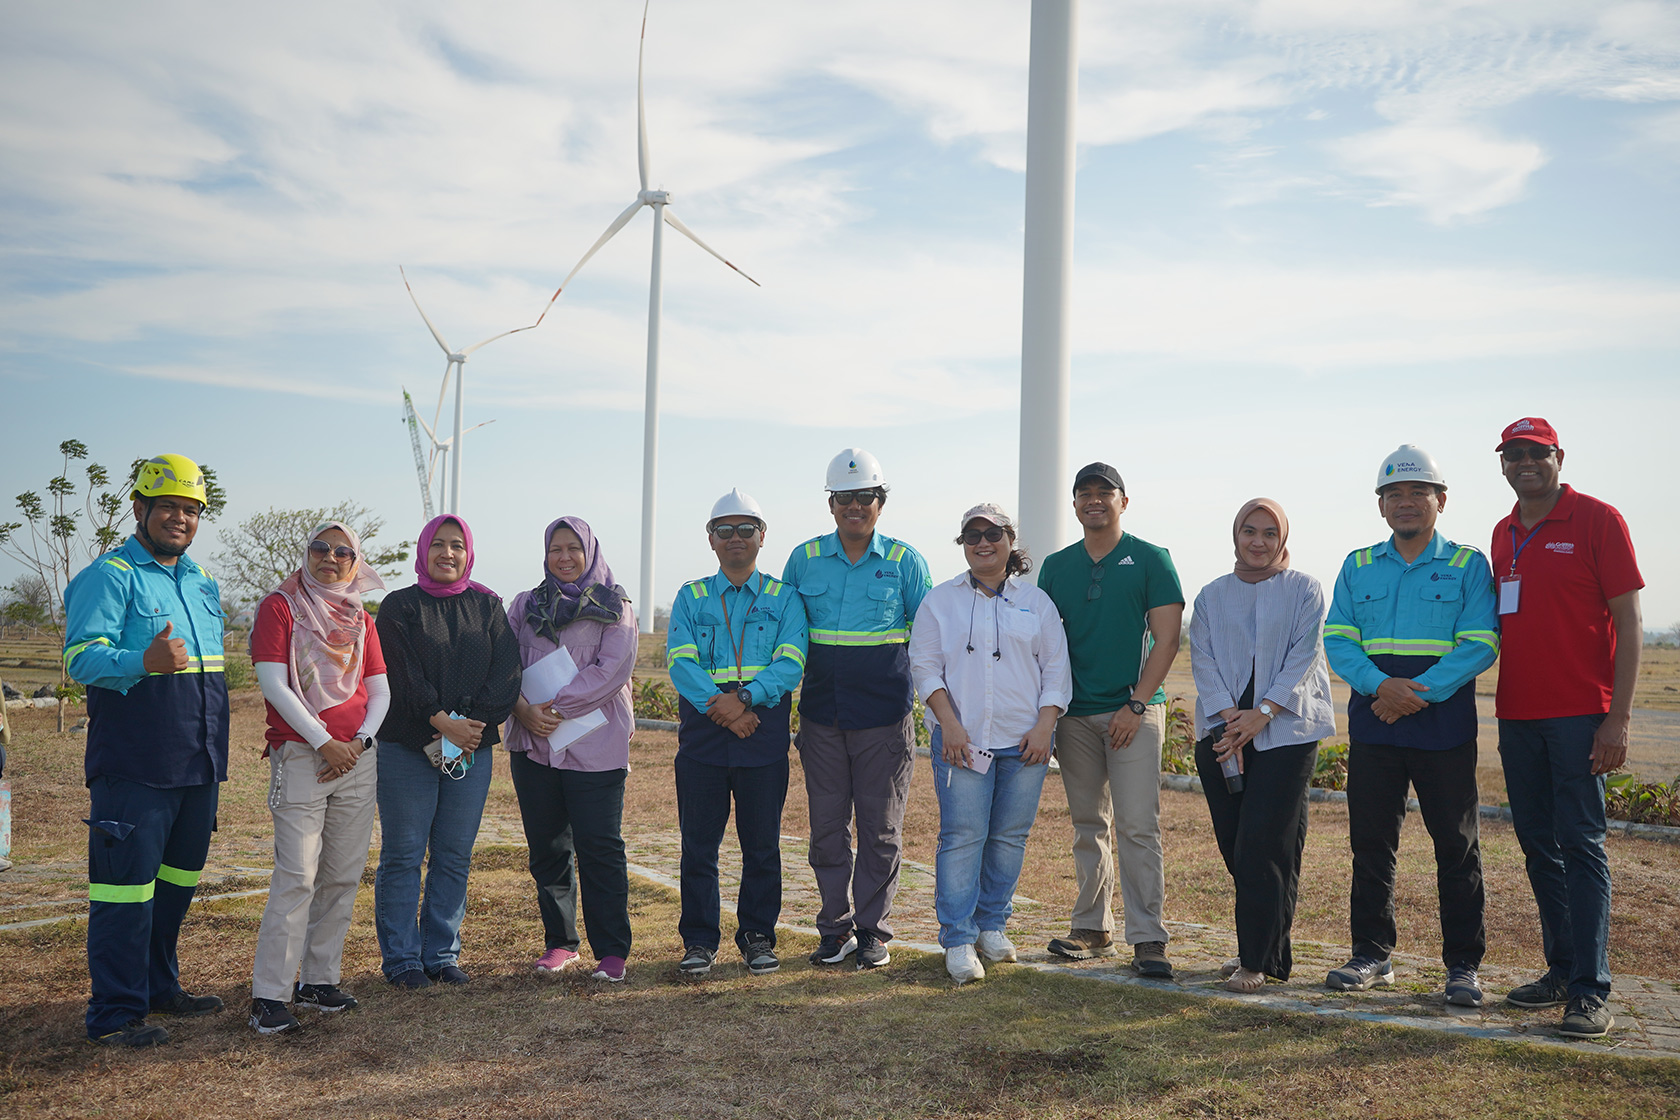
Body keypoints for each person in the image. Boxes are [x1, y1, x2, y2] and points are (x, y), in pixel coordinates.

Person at [1322, 445, 1499, 1005]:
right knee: (1372, 844)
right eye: (1393, 494)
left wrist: (1414, 694)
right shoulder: (1357, 565)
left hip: (1442, 725)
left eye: (1418, 493)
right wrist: (1382, 687)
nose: (1406, 503)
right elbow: (1338, 640)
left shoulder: (1468, 565)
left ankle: (1463, 966)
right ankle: (1372, 954)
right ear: (1381, 507)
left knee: (1457, 846)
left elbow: (1481, 643)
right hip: (1375, 722)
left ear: (1440, 501)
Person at [62, 454, 229, 1047]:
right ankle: (113, 1014)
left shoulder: (201, 580)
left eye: (190, 510)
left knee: (176, 885)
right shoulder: (109, 576)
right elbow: (80, 658)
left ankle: (160, 987)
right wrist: (141, 661)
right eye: (167, 507)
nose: (179, 519)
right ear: (139, 508)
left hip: (198, 763)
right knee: (123, 894)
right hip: (135, 767)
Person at [1490, 417, 1643, 1039]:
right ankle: (1561, 969)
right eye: (1514, 454)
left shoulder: (1599, 520)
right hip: (1516, 714)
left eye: (1537, 453)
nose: (1525, 462)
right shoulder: (1502, 533)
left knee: (1582, 846)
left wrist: (1618, 717)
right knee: (1537, 845)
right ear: (1503, 463)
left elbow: (1630, 626)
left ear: (1559, 457)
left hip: (1581, 715)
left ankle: (1590, 990)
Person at [781, 448, 931, 969]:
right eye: (844, 498)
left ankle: (872, 931)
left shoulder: (904, 562)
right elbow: (786, 631)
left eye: (864, 497)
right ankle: (834, 928)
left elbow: (929, 639)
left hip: (885, 720)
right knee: (826, 829)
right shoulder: (804, 558)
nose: (854, 506)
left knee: (881, 829)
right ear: (831, 504)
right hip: (822, 717)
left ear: (880, 502)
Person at [909, 504, 1069, 983]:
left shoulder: (1036, 602)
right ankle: (958, 938)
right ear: (963, 543)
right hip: (962, 742)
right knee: (962, 837)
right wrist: (949, 725)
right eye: (972, 534)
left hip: (1026, 744)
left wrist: (1045, 726)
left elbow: (1056, 669)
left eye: (993, 533)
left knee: (1008, 837)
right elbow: (924, 667)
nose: (983, 542)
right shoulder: (940, 601)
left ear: (1009, 540)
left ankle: (991, 925)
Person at [1036, 462, 1183, 979]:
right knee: (1087, 825)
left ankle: (1148, 937)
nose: (1093, 501)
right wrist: (1050, 714)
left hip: (1134, 713)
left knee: (1139, 827)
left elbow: (1167, 639)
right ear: (1074, 504)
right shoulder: (1055, 566)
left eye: (1105, 493)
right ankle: (1093, 929)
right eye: (1084, 494)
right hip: (1074, 715)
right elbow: (1046, 647)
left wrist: (1137, 705)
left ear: (1124, 501)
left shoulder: (1151, 560)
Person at [1187, 499, 1335, 994]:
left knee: (1263, 846)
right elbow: (1202, 657)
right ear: (1235, 536)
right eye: (1249, 531)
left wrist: (1263, 713)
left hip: (1286, 733)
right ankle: (1271, 949)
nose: (1258, 541)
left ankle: (1254, 960)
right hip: (1223, 733)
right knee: (1236, 842)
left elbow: (1304, 654)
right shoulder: (1211, 595)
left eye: (1269, 533)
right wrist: (1231, 719)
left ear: (1283, 539)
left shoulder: (1305, 590)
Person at [247, 521, 389, 1034]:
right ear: (306, 552)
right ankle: (270, 994)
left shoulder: (360, 617)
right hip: (304, 756)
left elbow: (381, 691)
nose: (330, 558)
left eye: (343, 552)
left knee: (343, 873)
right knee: (298, 875)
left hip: (356, 758)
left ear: (357, 562)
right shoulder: (280, 607)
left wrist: (358, 745)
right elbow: (273, 684)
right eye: (320, 548)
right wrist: (323, 741)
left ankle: (319, 980)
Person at [374, 514, 521, 988]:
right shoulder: (399, 606)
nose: (448, 553)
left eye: (457, 545)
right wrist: (441, 721)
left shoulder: (488, 606)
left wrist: (470, 726)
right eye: (438, 544)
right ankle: (402, 960)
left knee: (454, 854)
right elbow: (401, 674)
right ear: (423, 550)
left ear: (469, 552)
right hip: (408, 746)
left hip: (470, 748)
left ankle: (441, 953)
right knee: (403, 854)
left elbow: (507, 672)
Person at [668, 489, 808, 977]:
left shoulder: (784, 597)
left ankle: (757, 937)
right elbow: (681, 663)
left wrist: (745, 700)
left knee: (762, 845)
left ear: (762, 537)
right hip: (705, 738)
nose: (735, 539)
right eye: (724, 530)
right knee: (699, 846)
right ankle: (700, 940)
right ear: (710, 540)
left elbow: (791, 662)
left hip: (761, 733)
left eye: (745, 529)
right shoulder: (691, 596)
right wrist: (727, 709)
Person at [505, 516, 637, 983]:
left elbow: (612, 669)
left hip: (594, 743)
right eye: (555, 549)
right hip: (533, 744)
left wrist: (553, 708)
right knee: (547, 848)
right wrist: (522, 710)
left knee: (599, 846)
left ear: (590, 552)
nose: (564, 557)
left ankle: (612, 952)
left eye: (573, 549)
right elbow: (504, 662)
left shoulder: (614, 605)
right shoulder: (524, 605)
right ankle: (560, 943)